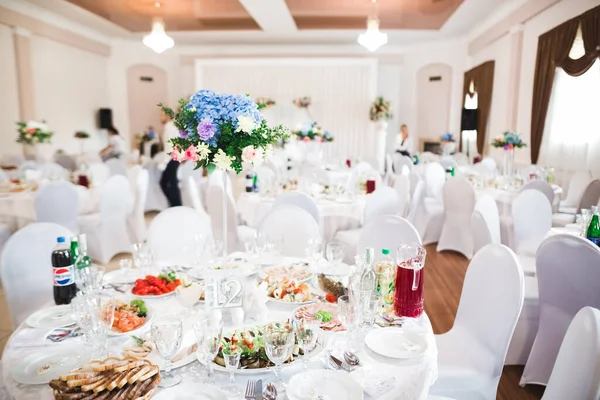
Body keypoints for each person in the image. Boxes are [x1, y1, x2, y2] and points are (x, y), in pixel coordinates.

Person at [159, 109, 182, 207]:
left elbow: (172, 146)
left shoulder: (170, 128)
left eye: (162, 115)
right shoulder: (170, 127)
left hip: (172, 159)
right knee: (171, 183)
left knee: (167, 183)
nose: (160, 117)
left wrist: (165, 162)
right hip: (173, 158)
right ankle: (175, 205)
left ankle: (176, 206)